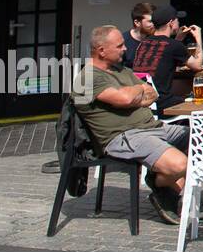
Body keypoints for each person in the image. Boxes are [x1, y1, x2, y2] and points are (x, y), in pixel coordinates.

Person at [74, 25, 187, 224]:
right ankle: (158, 183)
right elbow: (125, 99)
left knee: (201, 140)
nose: (125, 48)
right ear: (101, 50)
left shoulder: (122, 70)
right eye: (119, 46)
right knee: (180, 164)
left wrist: (135, 93)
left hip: (153, 128)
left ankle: (167, 184)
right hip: (125, 136)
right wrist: (137, 91)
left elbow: (152, 94)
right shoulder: (87, 77)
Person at [131, 5, 203, 112]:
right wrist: (198, 38)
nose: (179, 23)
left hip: (143, 102)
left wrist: (178, 39)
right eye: (177, 20)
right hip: (161, 102)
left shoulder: (143, 43)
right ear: (171, 23)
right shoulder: (173, 45)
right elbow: (197, 66)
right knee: (200, 101)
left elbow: (165, 55)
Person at [124, 2, 155, 67]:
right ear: (137, 22)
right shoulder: (123, 41)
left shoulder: (156, 39)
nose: (154, 24)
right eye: (150, 21)